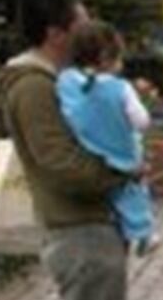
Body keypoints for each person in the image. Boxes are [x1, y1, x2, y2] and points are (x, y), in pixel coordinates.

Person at [0, 0, 127, 300]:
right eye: (82, 25)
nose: (90, 35)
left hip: (87, 228)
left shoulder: (55, 83)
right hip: (80, 233)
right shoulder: (33, 87)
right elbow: (61, 164)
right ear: (56, 33)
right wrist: (121, 172)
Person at [56, 21, 157, 254]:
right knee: (133, 191)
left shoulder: (66, 81)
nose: (121, 65)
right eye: (119, 58)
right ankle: (142, 233)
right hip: (121, 155)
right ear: (105, 58)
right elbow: (142, 122)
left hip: (87, 153)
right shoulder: (120, 87)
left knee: (111, 196)